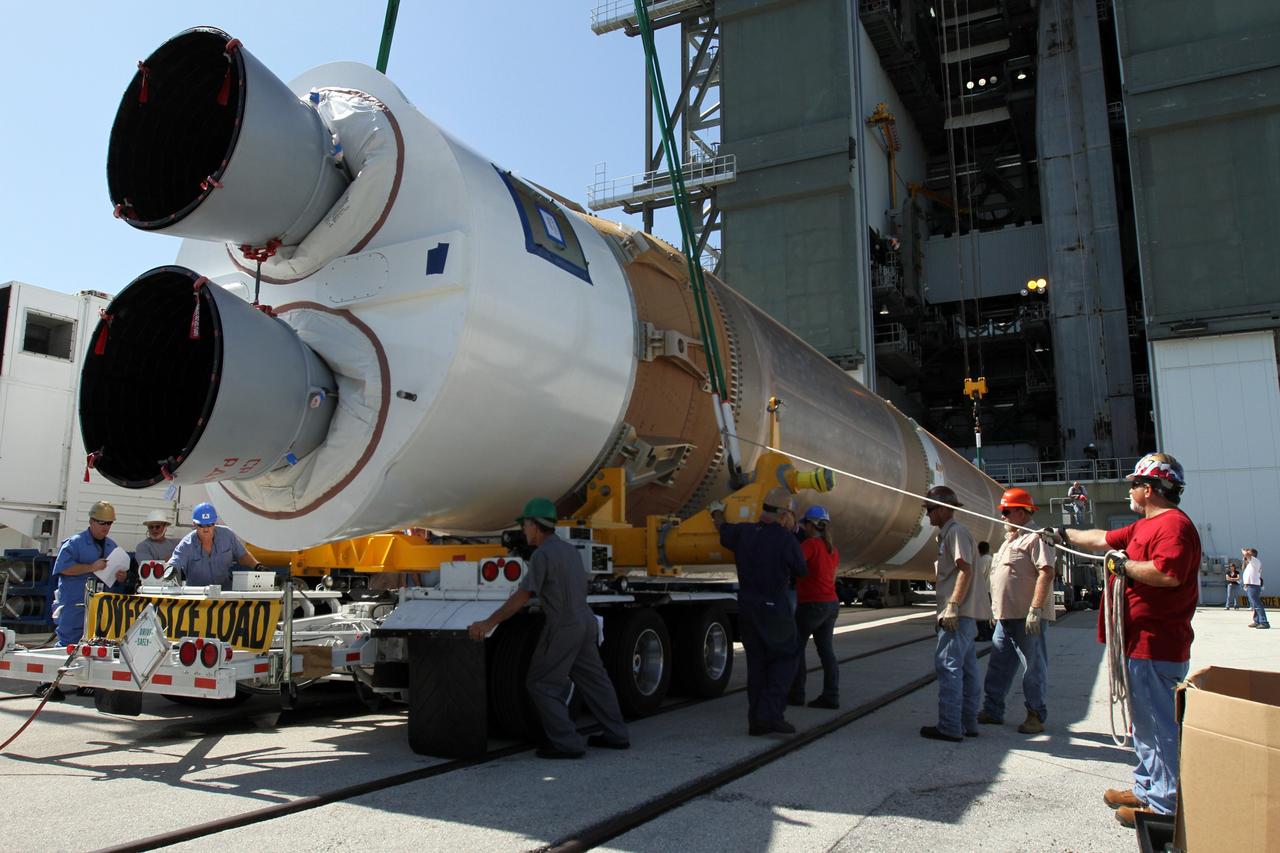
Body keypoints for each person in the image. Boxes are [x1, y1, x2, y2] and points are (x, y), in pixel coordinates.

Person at [1047, 452, 1201, 828]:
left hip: (1156, 644)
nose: (1129, 490)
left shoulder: (1173, 526)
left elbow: (1168, 574)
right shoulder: (1143, 526)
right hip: (1138, 644)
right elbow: (1101, 539)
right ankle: (1147, 788)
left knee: (1158, 726)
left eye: (1134, 484)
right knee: (1144, 725)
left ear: (1150, 489)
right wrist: (1061, 534)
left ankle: (1164, 807)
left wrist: (1125, 566)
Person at [467, 498, 628, 758]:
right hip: (586, 621)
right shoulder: (569, 550)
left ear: (535, 525)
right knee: (596, 681)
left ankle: (567, 743)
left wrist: (488, 623)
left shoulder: (542, 555)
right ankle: (617, 734)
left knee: (541, 684)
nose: (523, 531)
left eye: (525, 525)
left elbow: (522, 597)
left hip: (563, 626)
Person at [711, 487, 807, 736]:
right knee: (787, 657)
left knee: (757, 663)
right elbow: (801, 569)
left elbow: (722, 529)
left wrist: (717, 513)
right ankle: (770, 714)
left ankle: (756, 720)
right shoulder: (785, 539)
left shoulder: (743, 532)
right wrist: (795, 533)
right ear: (784, 515)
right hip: (774, 607)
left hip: (748, 606)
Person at [978, 488, 1054, 735]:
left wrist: (1036, 609)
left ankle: (1035, 715)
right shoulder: (1009, 540)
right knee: (998, 666)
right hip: (1005, 617)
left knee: (1033, 667)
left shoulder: (1037, 538)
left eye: (1007, 511)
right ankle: (992, 710)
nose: (1003, 516)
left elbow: (1046, 572)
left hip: (1026, 617)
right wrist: (995, 609)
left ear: (1022, 512)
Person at [920, 484, 991, 742]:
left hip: (957, 616)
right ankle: (968, 723)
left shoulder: (955, 532)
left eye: (930, 509)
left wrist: (952, 605)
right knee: (967, 669)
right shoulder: (949, 534)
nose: (927, 514)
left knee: (948, 666)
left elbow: (965, 569)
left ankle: (950, 726)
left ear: (942, 509)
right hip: (964, 614)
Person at [42, 501, 129, 700]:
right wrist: (91, 567)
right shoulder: (74, 543)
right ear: (91, 521)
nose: (105, 527)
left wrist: (121, 576)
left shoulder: (111, 546)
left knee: (94, 644)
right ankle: (46, 683)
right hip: (74, 602)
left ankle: (84, 683)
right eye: (101, 523)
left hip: (99, 606)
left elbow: (116, 576)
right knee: (67, 642)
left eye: (109, 523)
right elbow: (63, 568)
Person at [787, 505, 840, 710]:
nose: (804, 529)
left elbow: (794, 564)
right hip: (831, 603)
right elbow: (831, 577)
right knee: (826, 651)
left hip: (811, 604)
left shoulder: (810, 545)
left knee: (796, 647)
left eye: (805, 525)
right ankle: (831, 695)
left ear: (810, 525)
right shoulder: (831, 548)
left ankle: (796, 693)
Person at [166, 502, 264, 586]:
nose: (206, 529)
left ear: (215, 522)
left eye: (209, 524)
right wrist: (169, 572)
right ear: (194, 524)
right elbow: (174, 563)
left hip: (224, 594)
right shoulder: (186, 544)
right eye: (201, 525)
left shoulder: (227, 535)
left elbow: (243, 555)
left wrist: (258, 567)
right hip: (197, 596)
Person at [1242, 547, 1268, 628]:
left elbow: (1246, 554)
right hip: (1251, 585)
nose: (1246, 555)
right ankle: (1257, 621)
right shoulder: (1251, 563)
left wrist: (1243, 550)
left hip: (1253, 586)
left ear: (1253, 554)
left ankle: (1264, 622)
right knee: (1254, 605)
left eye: (1249, 552)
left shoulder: (1255, 561)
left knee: (1257, 604)